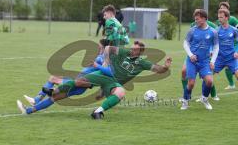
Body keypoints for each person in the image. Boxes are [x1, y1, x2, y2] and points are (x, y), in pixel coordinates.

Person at [17, 41, 172, 119]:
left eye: (136, 48)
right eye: (132, 47)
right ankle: (30, 109)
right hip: (101, 76)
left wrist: (165, 67)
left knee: (120, 92)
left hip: (112, 82)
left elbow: (159, 70)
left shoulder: (142, 63)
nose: (132, 49)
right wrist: (105, 61)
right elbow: (108, 48)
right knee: (73, 85)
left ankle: (98, 112)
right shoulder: (124, 52)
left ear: (141, 51)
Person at [181, 9, 219, 110]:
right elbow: (185, 43)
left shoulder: (212, 32)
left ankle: (204, 99)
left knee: (209, 81)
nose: (195, 21)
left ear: (204, 19)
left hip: (205, 62)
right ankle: (185, 101)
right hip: (192, 61)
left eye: (197, 19)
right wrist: (190, 55)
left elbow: (216, 47)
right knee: (191, 83)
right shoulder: (192, 30)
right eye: (195, 19)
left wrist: (212, 61)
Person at [213, 9, 238, 91]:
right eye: (218, 17)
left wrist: (236, 51)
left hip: (231, 58)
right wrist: (211, 51)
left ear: (227, 18)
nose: (219, 19)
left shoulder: (234, 30)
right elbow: (211, 43)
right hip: (219, 58)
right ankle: (205, 96)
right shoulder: (216, 30)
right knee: (207, 77)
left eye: (221, 17)